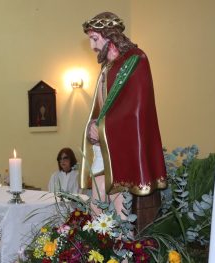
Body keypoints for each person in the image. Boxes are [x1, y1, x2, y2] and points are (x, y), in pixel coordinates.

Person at [80, 12, 167, 229]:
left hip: (126, 146)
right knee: (97, 198)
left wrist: (101, 129)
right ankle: (101, 245)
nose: (92, 46)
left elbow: (136, 109)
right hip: (106, 146)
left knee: (118, 202)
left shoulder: (136, 60)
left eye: (95, 39)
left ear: (110, 36)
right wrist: (93, 126)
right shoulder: (107, 68)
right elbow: (102, 108)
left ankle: (120, 247)